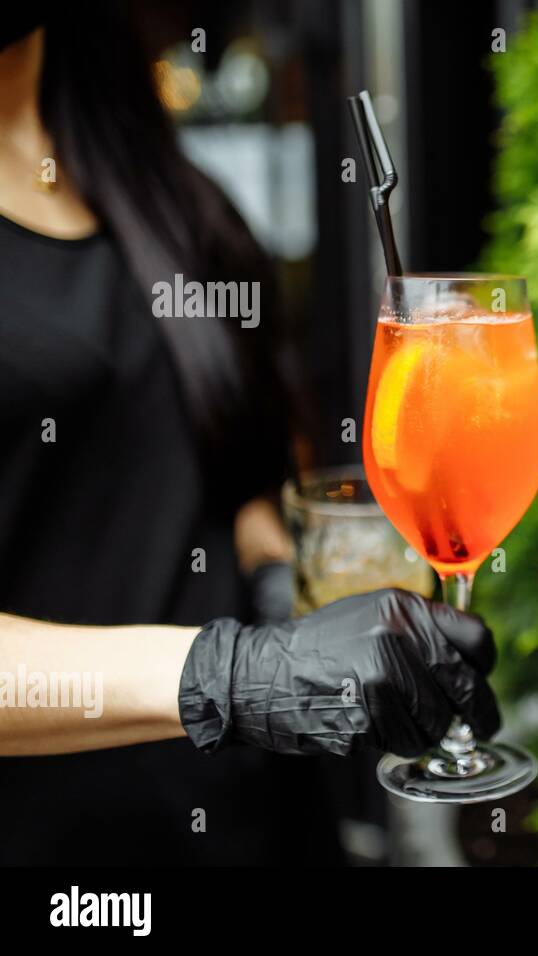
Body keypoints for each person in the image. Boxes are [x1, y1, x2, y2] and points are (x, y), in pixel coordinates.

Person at [0, 9, 499, 864]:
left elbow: (229, 487)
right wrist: (236, 675)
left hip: (265, 825)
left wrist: (288, 587)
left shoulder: (164, 194)